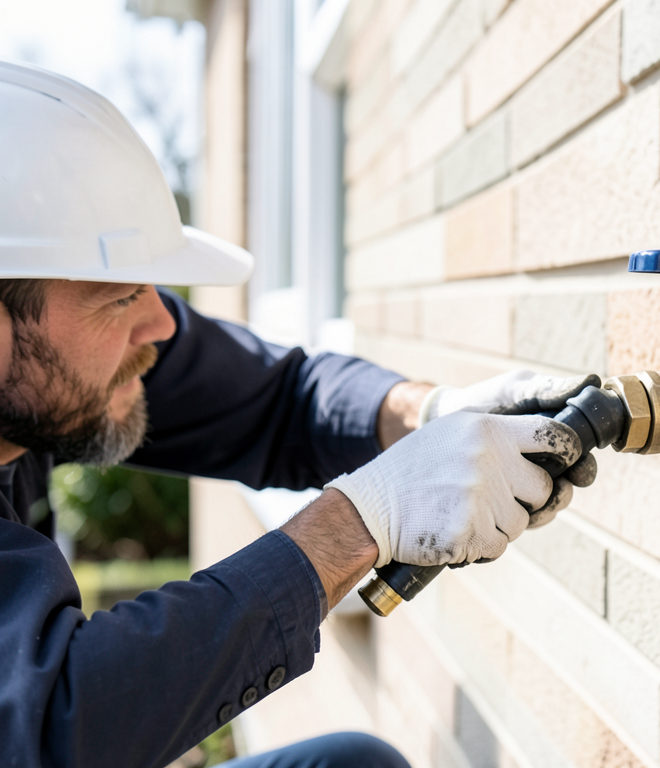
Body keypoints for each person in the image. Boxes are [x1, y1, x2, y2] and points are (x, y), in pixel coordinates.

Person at [0, 62, 598, 767]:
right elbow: (51, 724)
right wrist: (361, 521)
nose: (162, 323)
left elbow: (278, 399)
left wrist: (429, 412)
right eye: (121, 296)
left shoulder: (50, 371)